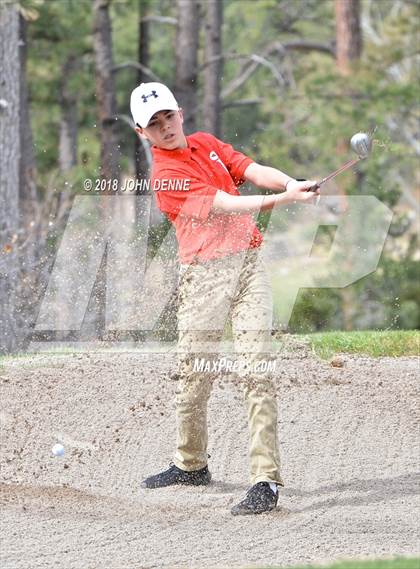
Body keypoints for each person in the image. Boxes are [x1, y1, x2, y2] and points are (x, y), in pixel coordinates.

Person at [130, 82, 319, 515]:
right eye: (154, 125)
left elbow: (251, 169)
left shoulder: (207, 144)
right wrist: (283, 200)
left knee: (256, 370)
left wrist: (291, 182)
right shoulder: (164, 175)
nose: (165, 128)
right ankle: (190, 464)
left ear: (180, 112)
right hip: (204, 278)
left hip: (248, 267)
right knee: (195, 376)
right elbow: (224, 204)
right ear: (143, 134)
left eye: (168, 117)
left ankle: (265, 481)